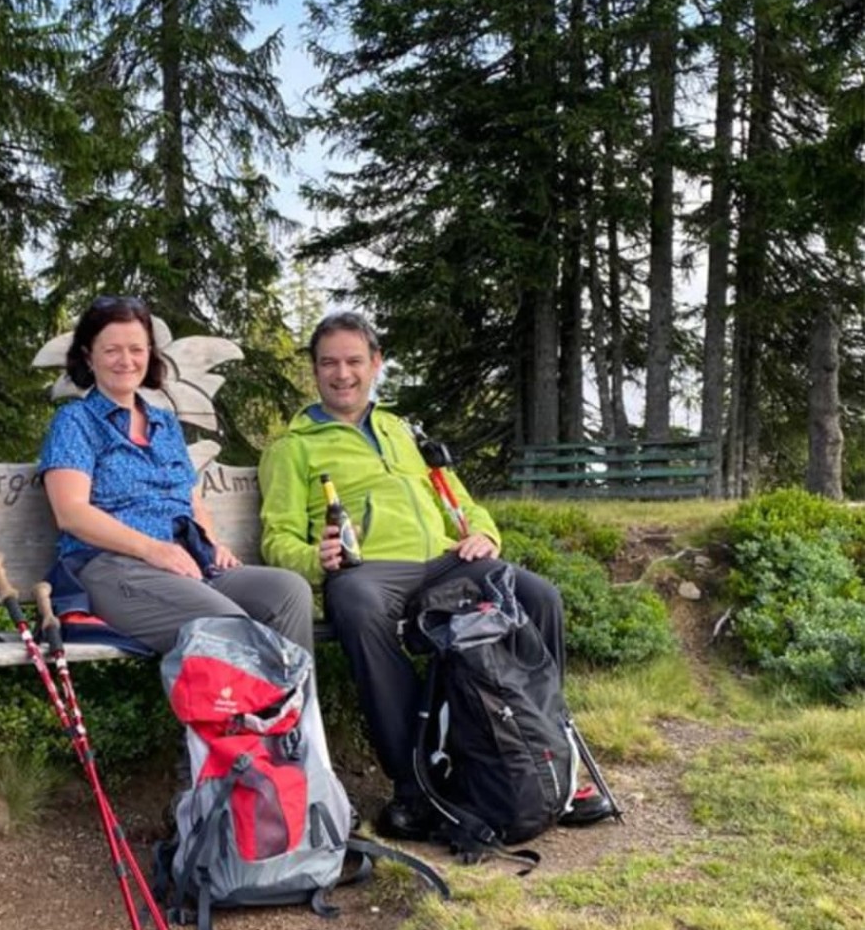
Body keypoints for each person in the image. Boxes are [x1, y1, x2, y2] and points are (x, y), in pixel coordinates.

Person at [258, 310, 612, 839]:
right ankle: (416, 785)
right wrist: (317, 558)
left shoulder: (402, 430)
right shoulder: (294, 447)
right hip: (370, 570)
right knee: (357, 606)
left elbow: (460, 500)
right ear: (314, 369)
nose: (342, 374)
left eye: (354, 361)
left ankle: (547, 759)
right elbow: (277, 538)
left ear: (375, 363)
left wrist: (485, 533)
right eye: (329, 363)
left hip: (446, 562)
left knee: (538, 596)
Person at [37, 294, 314, 657]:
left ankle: (295, 697)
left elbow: (190, 498)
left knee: (287, 592)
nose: (126, 360)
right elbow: (71, 513)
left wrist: (212, 543)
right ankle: (251, 695)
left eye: (136, 349)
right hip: (112, 568)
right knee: (226, 626)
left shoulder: (164, 424)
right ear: (89, 356)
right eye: (111, 350)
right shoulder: (75, 421)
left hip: (185, 562)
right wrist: (152, 549)